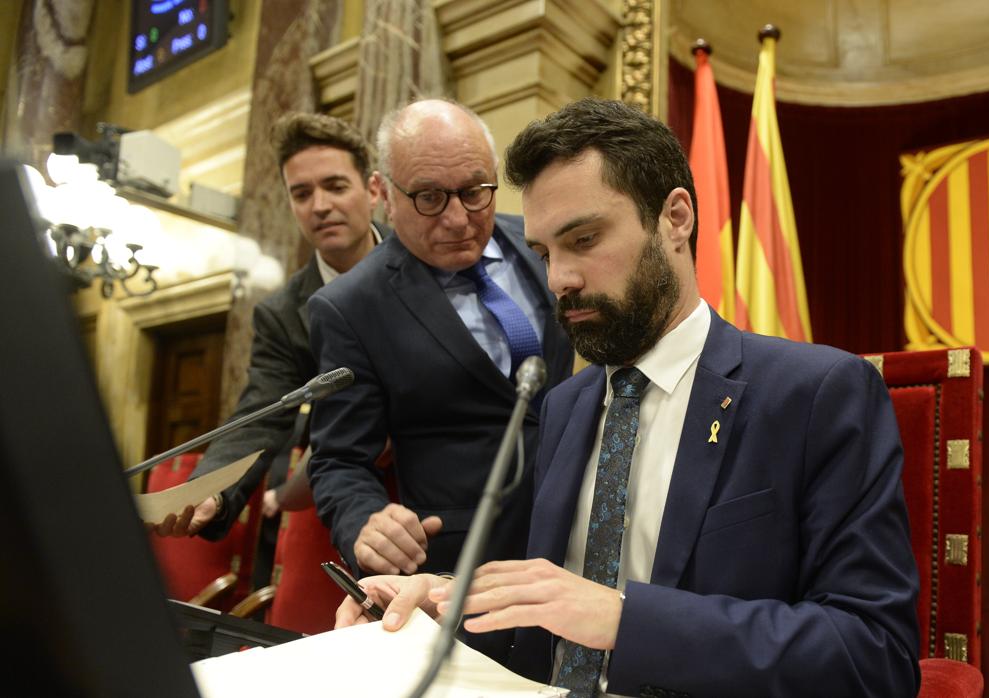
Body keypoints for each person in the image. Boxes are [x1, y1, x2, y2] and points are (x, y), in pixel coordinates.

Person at [338, 98, 921, 697]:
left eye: (584, 239)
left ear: (675, 218)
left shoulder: (816, 395)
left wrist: (623, 619)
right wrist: (443, 606)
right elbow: (547, 625)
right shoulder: (563, 405)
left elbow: (874, 654)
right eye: (544, 254)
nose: (560, 278)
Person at [306, 98, 573, 582]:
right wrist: (365, 522)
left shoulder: (545, 244)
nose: (457, 219)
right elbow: (340, 460)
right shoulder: (349, 307)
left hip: (582, 535)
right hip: (466, 566)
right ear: (383, 193)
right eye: (428, 198)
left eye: (475, 191)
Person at [150, 113, 387, 567]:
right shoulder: (281, 314)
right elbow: (259, 416)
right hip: (351, 502)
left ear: (373, 190)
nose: (319, 205)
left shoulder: (422, 261)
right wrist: (211, 493)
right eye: (302, 194)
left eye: (335, 186)